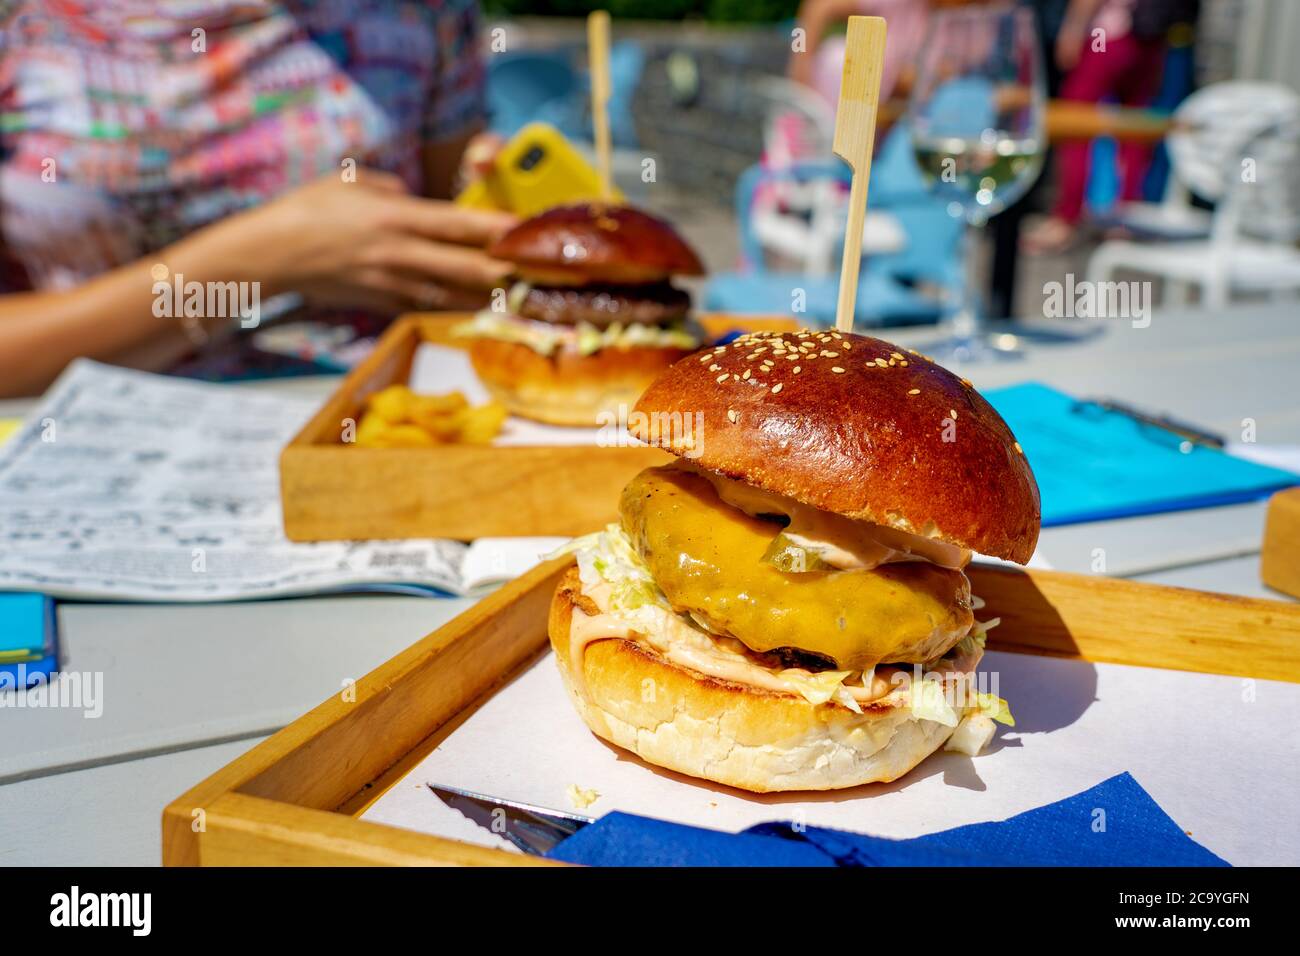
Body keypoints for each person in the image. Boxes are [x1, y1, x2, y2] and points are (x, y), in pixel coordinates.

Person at [0, 0, 515, 397]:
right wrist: (258, 263)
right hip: (73, 449)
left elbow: (447, 247)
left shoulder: (427, 12)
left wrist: (501, 212)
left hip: (369, 423)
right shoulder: (23, 29)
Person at [1021, 0, 1198, 254]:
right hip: (1150, 44)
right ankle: (1125, 218)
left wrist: (1072, 30)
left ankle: (1067, 218)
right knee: (1134, 131)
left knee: (1075, 123)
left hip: (1108, 36)